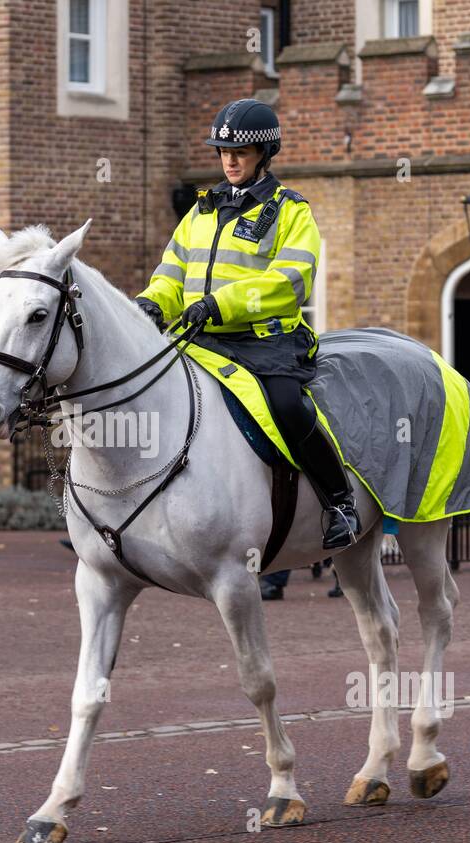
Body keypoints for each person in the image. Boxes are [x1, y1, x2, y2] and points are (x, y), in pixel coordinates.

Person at [135, 98, 361, 552]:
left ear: (264, 154)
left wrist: (221, 304)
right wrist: (152, 303)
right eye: (223, 151)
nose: (230, 160)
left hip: (266, 343)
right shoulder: (200, 211)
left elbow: (290, 281)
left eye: (240, 152)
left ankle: (340, 502)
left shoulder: (291, 211)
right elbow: (172, 271)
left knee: (287, 406)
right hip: (201, 339)